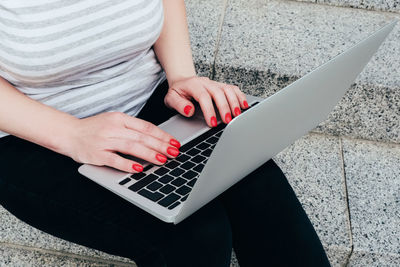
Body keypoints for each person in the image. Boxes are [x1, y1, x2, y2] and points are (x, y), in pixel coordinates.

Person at [0, 0, 330, 266]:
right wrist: (73, 134)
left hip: (147, 95)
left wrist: (181, 76)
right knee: (194, 237)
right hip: (33, 131)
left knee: (261, 191)